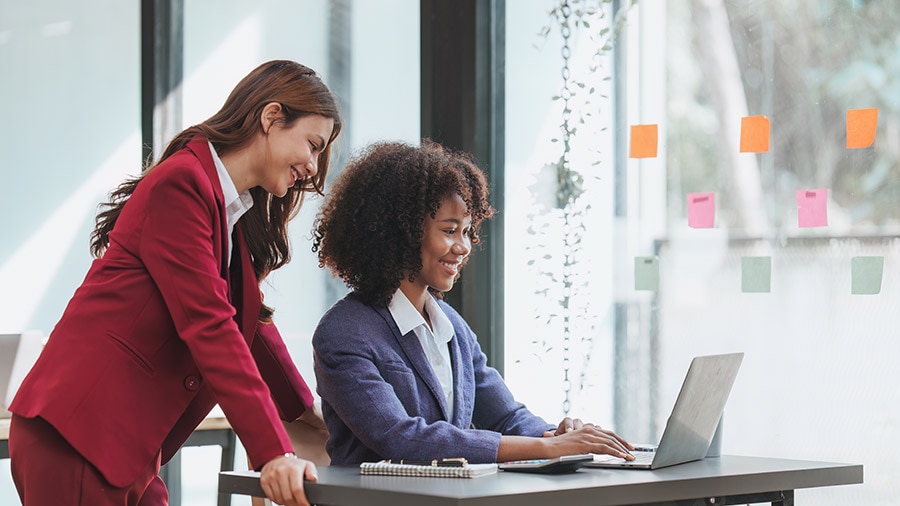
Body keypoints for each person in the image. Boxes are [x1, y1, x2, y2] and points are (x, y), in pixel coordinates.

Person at [8, 60, 342, 506]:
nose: (313, 166)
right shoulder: (181, 184)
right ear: (271, 118)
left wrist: (311, 418)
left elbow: (253, 328)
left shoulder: (230, 217)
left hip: (125, 447)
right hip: (81, 434)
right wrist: (273, 452)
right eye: (313, 145)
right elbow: (209, 323)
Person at [310, 140, 635, 465]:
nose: (463, 246)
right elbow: (403, 439)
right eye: (450, 230)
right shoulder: (344, 332)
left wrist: (557, 436)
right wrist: (548, 449)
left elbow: (506, 417)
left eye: (467, 231)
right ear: (403, 232)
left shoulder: (452, 327)